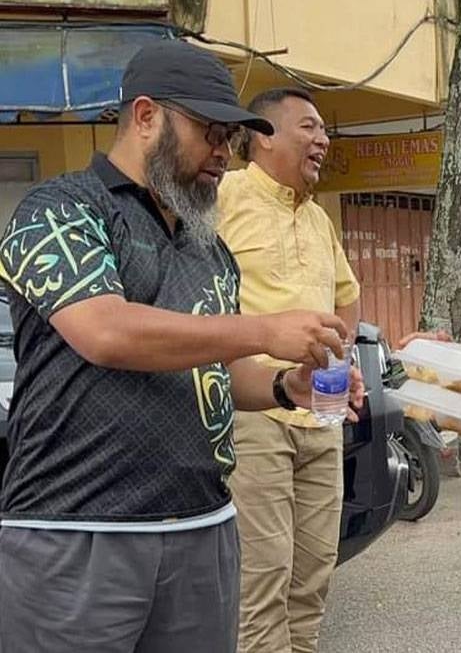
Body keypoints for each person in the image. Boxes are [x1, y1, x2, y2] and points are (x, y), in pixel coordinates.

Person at [0, 41, 360, 652]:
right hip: (78, 530)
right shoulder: (59, 210)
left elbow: (217, 372)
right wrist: (262, 331)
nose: (224, 155)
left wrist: (280, 385)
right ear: (146, 117)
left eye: (229, 137)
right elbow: (106, 331)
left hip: (203, 526)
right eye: (210, 134)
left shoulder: (208, 246)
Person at [216, 87, 361, 653]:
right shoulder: (224, 196)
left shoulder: (321, 220)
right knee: (263, 581)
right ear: (262, 135)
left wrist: (339, 357)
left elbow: (347, 295)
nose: (323, 139)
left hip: (320, 414)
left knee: (313, 580)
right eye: (308, 126)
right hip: (255, 412)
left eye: (324, 129)